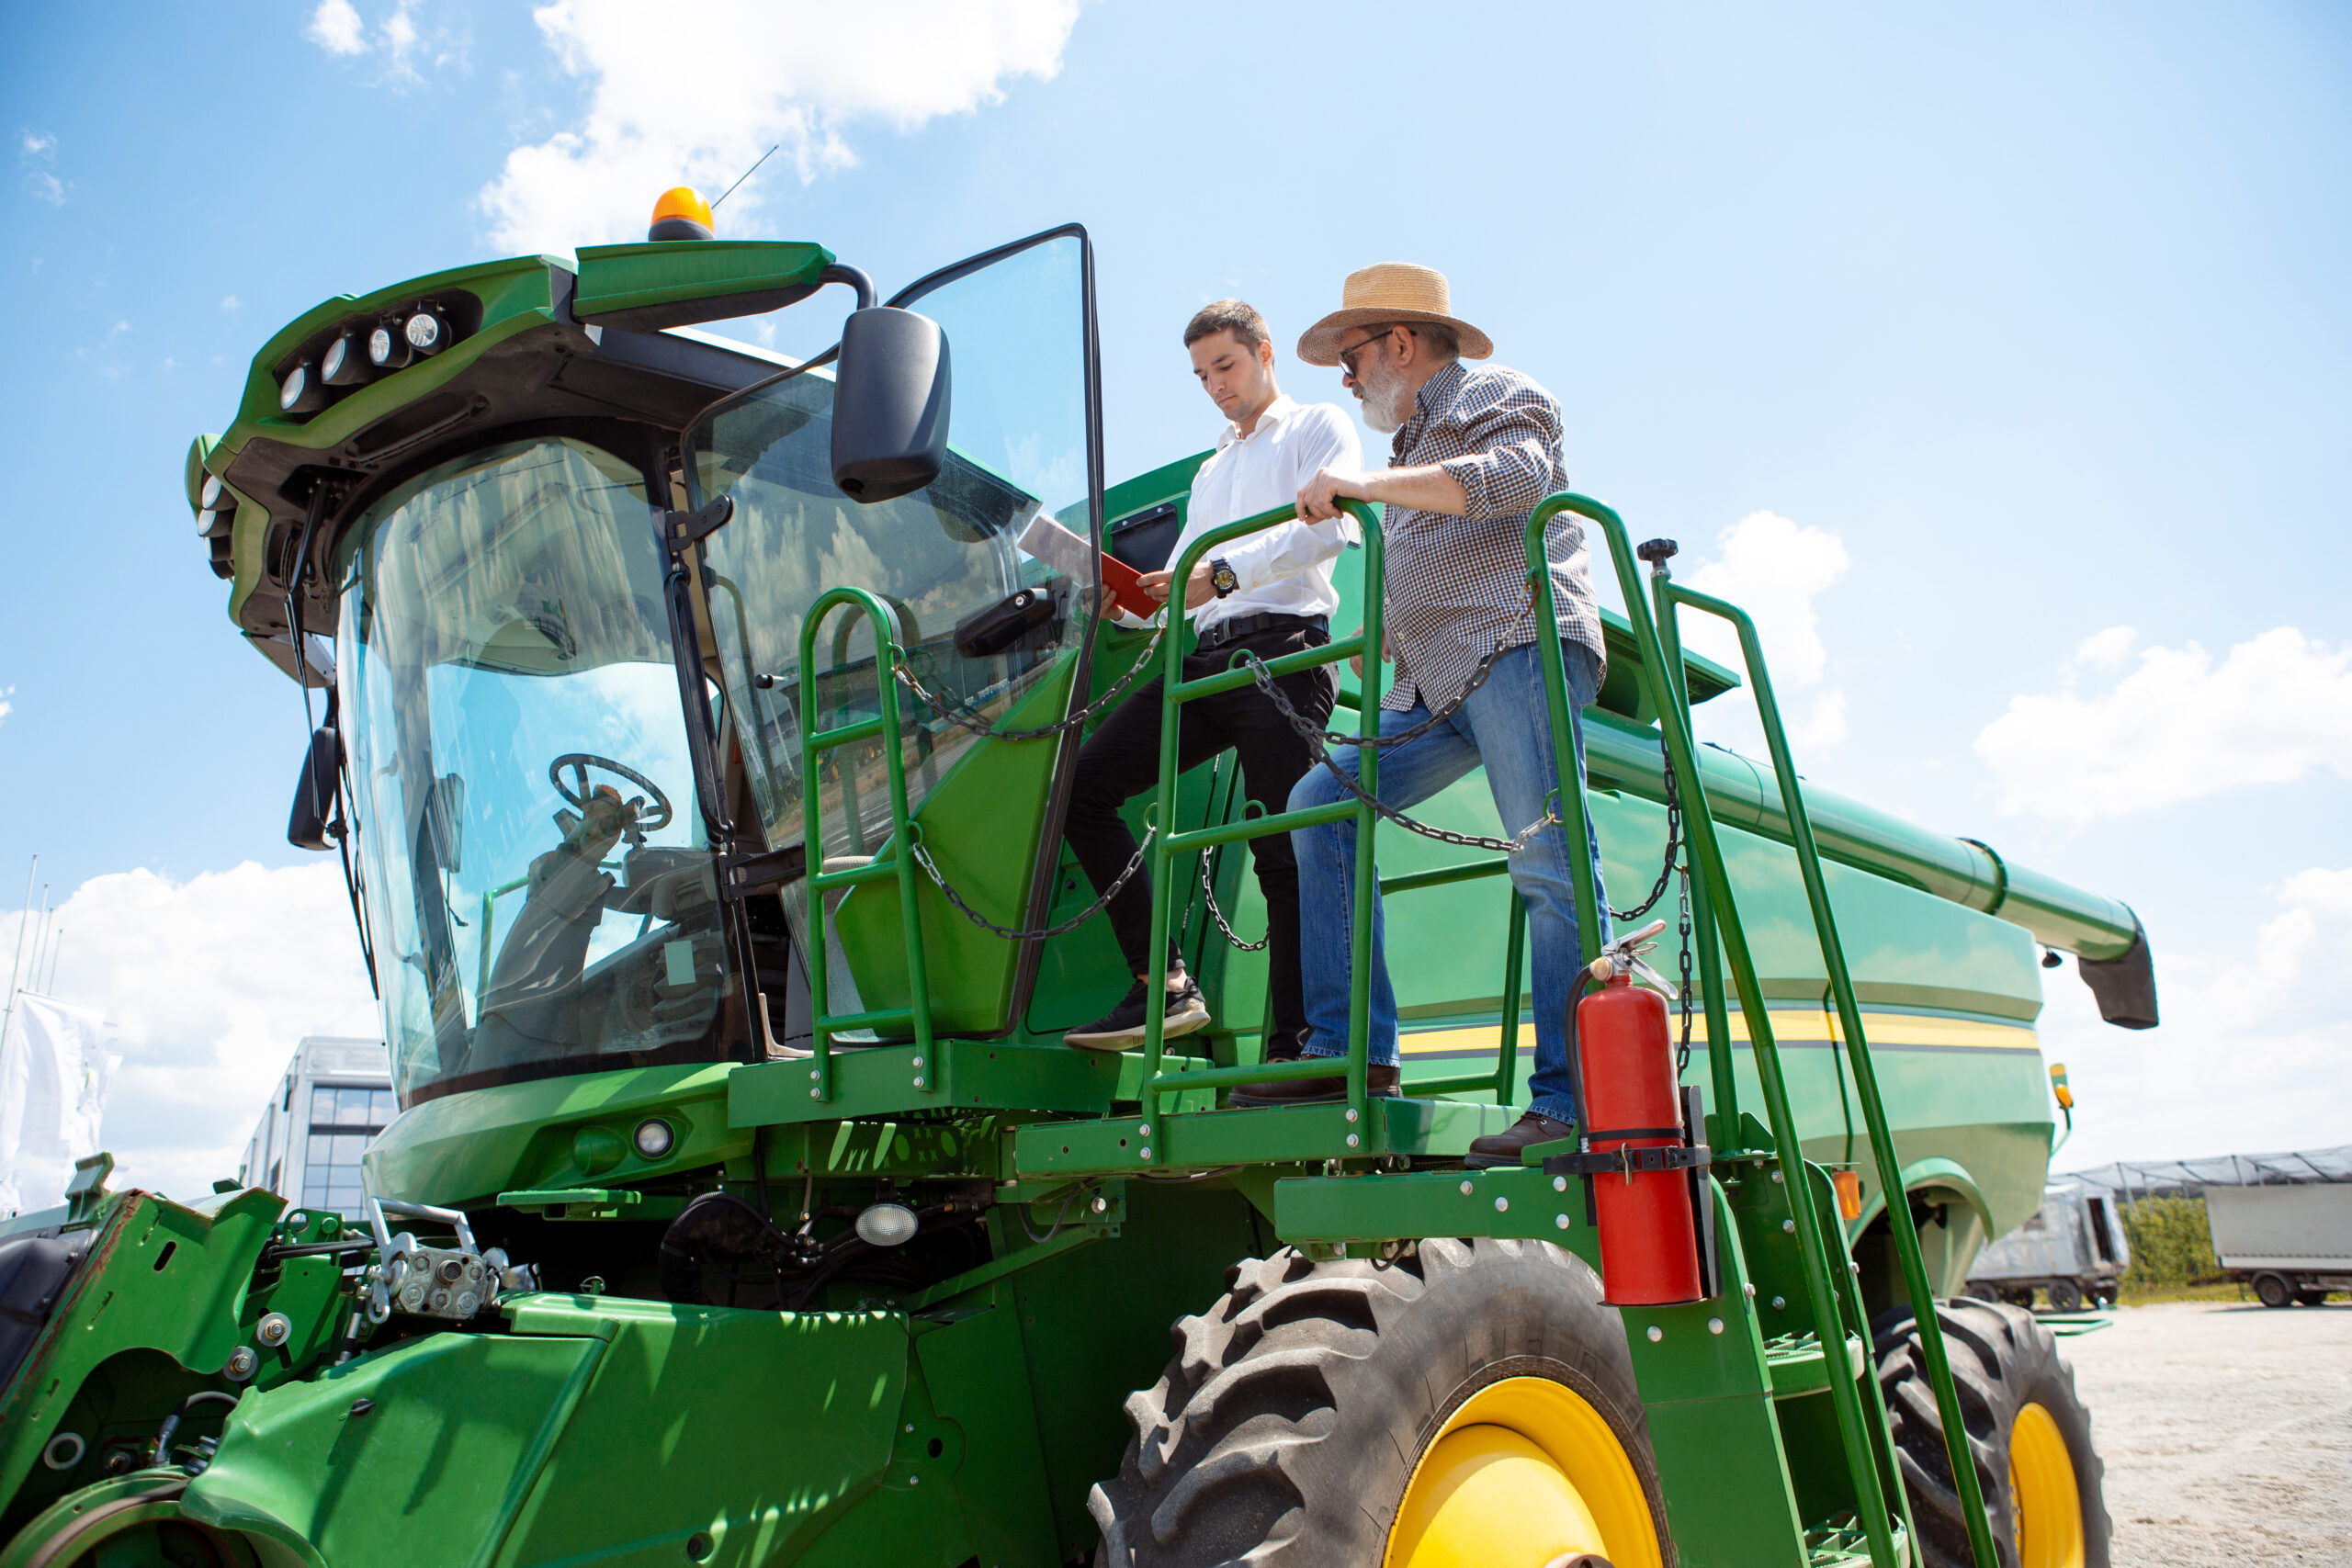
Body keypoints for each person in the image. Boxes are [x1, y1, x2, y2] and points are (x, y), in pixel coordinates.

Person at [1230, 263, 1611, 1170]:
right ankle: (1349, 1051)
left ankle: (1571, 1105)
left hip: (1517, 644)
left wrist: (1359, 489)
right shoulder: (1406, 454)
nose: (1349, 380)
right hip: (1436, 683)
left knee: (1547, 862)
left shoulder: (1496, 393)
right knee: (1322, 800)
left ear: (1399, 341)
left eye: (1352, 359)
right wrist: (1389, 631)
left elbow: (1509, 482)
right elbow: (1435, 545)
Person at [1060, 299, 1363, 1052]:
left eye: (1225, 366)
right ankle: (1160, 985)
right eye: (1201, 375)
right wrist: (1127, 608)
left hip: (1283, 657)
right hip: (1203, 660)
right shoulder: (1212, 469)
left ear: (1265, 353)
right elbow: (1185, 588)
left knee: (1281, 850)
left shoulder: (1318, 427)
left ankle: (1298, 1049)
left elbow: (1328, 528)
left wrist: (1217, 575)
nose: (1215, 385)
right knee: (1084, 787)